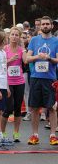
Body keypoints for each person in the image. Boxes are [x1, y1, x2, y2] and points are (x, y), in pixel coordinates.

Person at [26, 16, 58, 146]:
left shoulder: (56, 41)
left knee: (51, 107)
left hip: (49, 78)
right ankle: (35, 135)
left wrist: (49, 58)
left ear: (51, 26)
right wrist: (37, 56)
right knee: (34, 107)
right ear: (40, 26)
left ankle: (53, 135)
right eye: (43, 24)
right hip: (35, 77)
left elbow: (57, 60)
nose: (45, 26)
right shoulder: (34, 40)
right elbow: (27, 59)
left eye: (47, 24)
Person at [1, 27, 27, 142]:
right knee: (8, 108)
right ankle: (2, 132)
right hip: (8, 82)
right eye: (13, 34)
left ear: (19, 37)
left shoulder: (21, 50)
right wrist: (11, 59)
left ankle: (16, 133)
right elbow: (1, 65)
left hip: (20, 81)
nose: (15, 37)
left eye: (17, 35)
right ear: (9, 36)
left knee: (17, 109)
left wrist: (25, 49)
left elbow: (26, 61)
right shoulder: (4, 49)